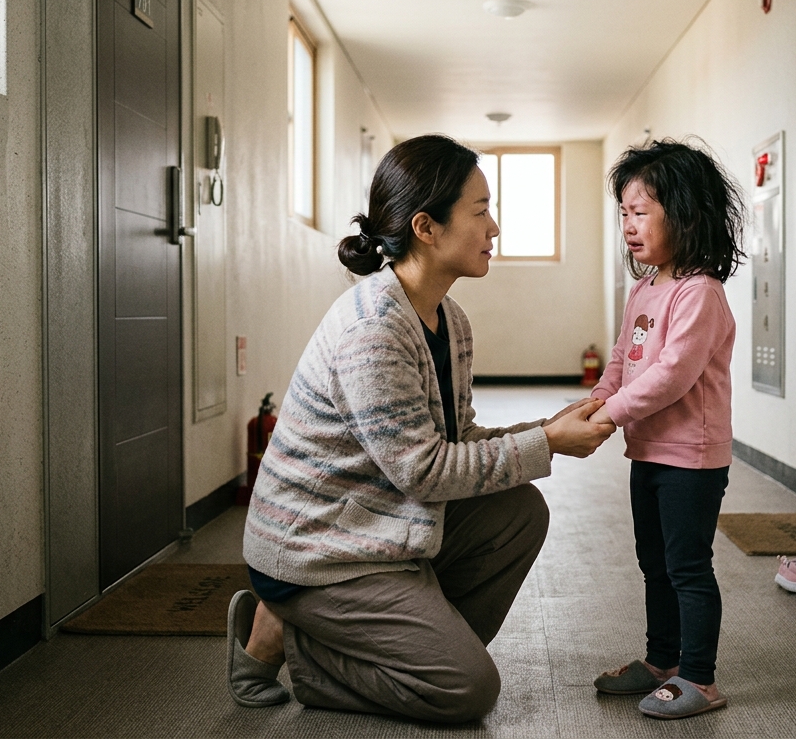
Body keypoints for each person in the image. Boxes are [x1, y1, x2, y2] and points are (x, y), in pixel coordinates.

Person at [225, 134, 615, 723]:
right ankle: (294, 636)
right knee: (466, 692)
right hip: (320, 548)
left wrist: (548, 428)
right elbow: (424, 471)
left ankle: (408, 644)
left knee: (520, 511)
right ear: (426, 227)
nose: (495, 228)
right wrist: (545, 444)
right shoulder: (374, 329)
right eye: (481, 212)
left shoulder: (448, 319)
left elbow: (451, 444)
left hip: (376, 521)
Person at [586, 139, 747, 719]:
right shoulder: (646, 287)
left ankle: (700, 679)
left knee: (687, 567)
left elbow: (672, 375)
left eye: (640, 212)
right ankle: (663, 661)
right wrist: (598, 400)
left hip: (691, 457)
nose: (629, 226)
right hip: (649, 452)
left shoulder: (699, 292)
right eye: (624, 213)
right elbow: (624, 361)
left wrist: (609, 416)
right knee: (653, 562)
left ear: (684, 213)